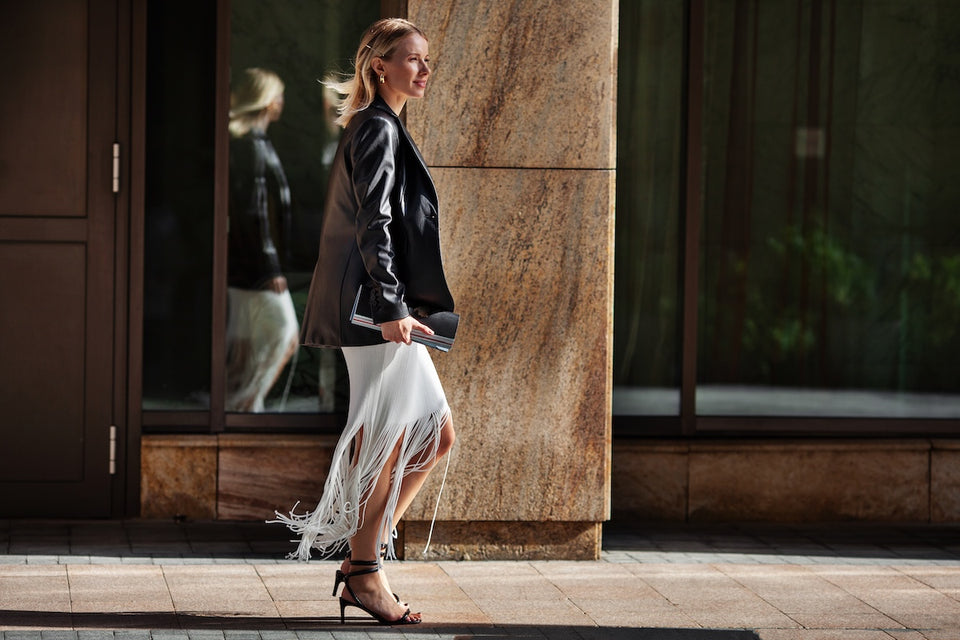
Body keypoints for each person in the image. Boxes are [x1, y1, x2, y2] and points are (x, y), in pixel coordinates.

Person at [272, 19, 456, 626]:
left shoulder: (384, 124)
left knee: (430, 435)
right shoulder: (376, 126)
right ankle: (366, 570)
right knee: (400, 435)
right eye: (412, 60)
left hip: (380, 307)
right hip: (374, 312)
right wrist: (393, 307)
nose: (423, 71)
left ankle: (362, 562)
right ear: (380, 66)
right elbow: (372, 223)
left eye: (426, 60)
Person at [225, 68, 299, 412]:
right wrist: (270, 267)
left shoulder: (257, 143)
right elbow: (253, 212)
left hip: (248, 264)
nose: (283, 103)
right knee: (284, 333)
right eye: (279, 96)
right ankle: (245, 406)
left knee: (246, 345)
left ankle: (242, 406)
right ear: (268, 101)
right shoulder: (252, 147)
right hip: (255, 266)